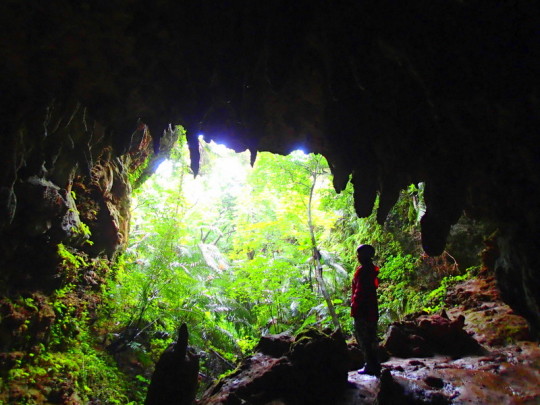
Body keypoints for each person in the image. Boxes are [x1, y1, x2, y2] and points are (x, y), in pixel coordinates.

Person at [351, 244, 381, 376]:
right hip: (371, 309)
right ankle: (374, 364)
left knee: (364, 337)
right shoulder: (370, 269)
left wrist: (354, 306)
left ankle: (370, 364)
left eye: (359, 254)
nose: (357, 257)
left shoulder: (364, 271)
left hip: (363, 310)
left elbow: (360, 291)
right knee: (371, 337)